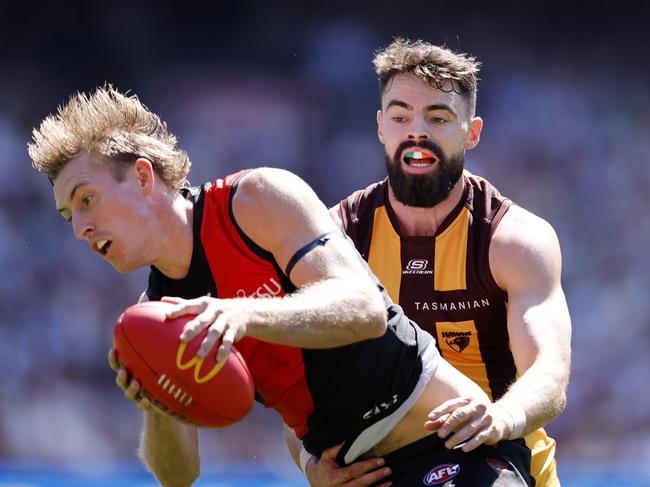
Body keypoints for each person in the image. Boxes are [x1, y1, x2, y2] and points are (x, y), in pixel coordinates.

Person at [29, 86, 534, 486]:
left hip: (453, 443)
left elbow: (363, 309)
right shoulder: (161, 315)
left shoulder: (254, 199)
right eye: (67, 214)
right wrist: (156, 405)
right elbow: (179, 477)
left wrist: (241, 314)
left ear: (143, 177)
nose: (79, 227)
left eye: (87, 198)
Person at [290, 39, 572, 487]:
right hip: (384, 466)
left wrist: (500, 417)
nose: (416, 132)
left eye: (437, 118)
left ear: (472, 131)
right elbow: (295, 379)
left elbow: (550, 375)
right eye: (401, 117)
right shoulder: (337, 239)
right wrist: (311, 467)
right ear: (381, 127)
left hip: (503, 458)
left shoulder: (514, 240)